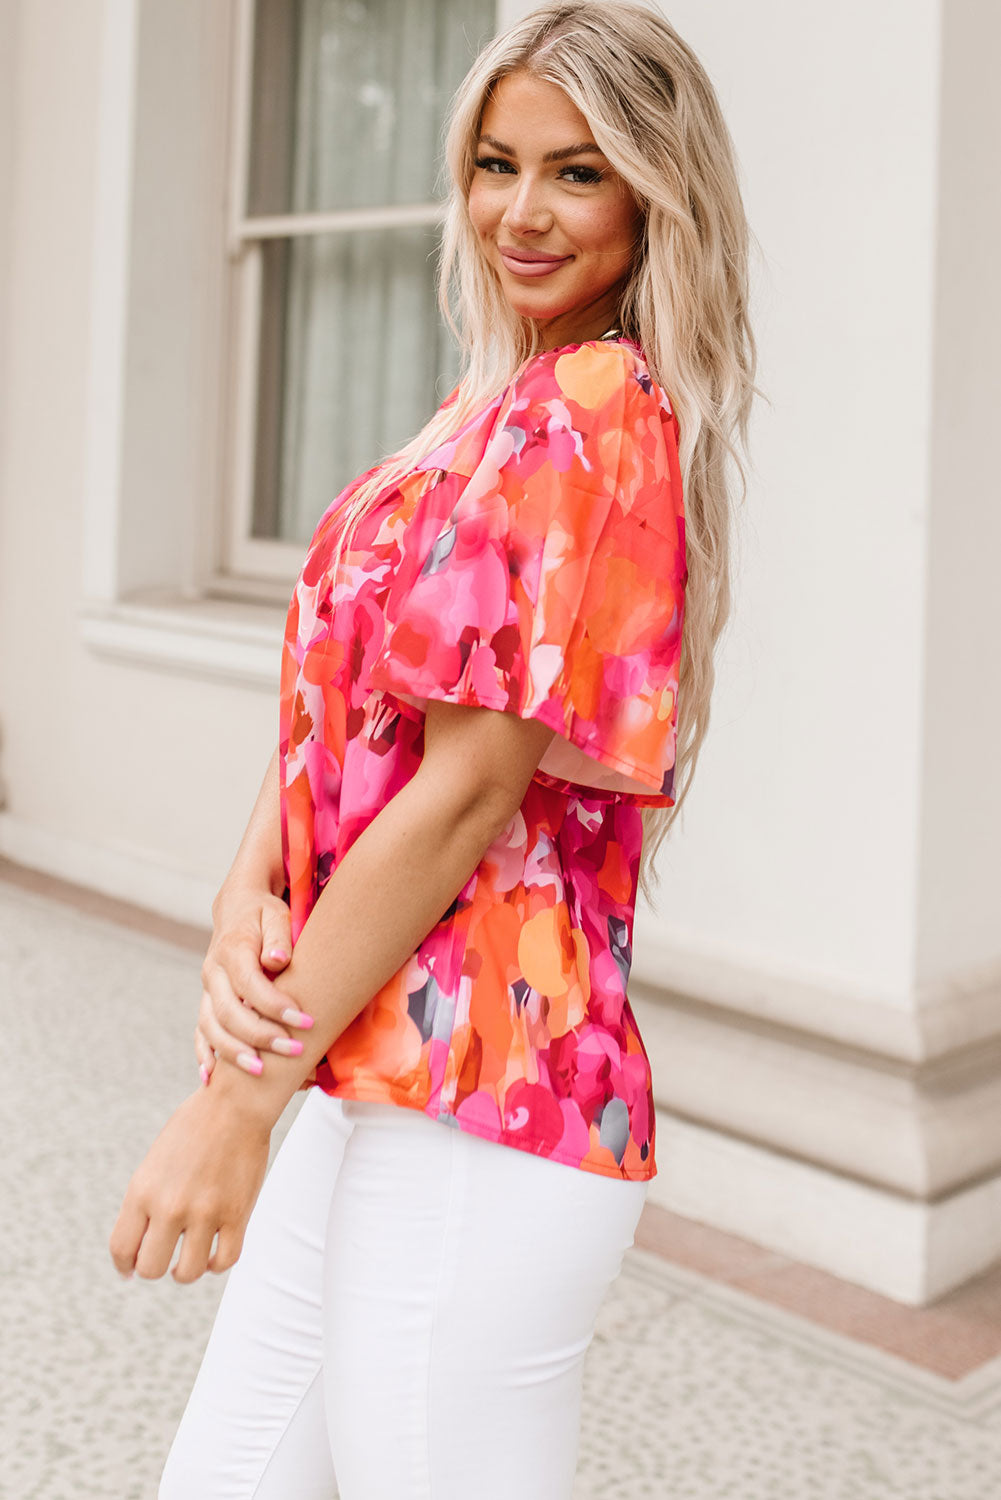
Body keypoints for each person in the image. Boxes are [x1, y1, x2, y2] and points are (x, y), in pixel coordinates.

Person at [109, 2, 759, 1495]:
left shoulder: (592, 415)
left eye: (577, 172)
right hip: (368, 1058)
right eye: (493, 162)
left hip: (489, 1085)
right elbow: (355, 723)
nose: (519, 212)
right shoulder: (491, 411)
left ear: (656, 189)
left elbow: (468, 790)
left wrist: (232, 1108)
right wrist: (241, 897)